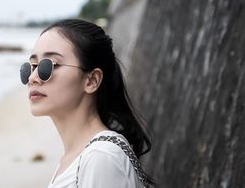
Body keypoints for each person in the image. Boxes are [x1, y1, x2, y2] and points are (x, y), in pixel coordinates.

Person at [19, 19, 155, 187]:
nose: (32, 78)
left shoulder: (101, 157)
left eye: (48, 66)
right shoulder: (77, 158)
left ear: (91, 80)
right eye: (31, 66)